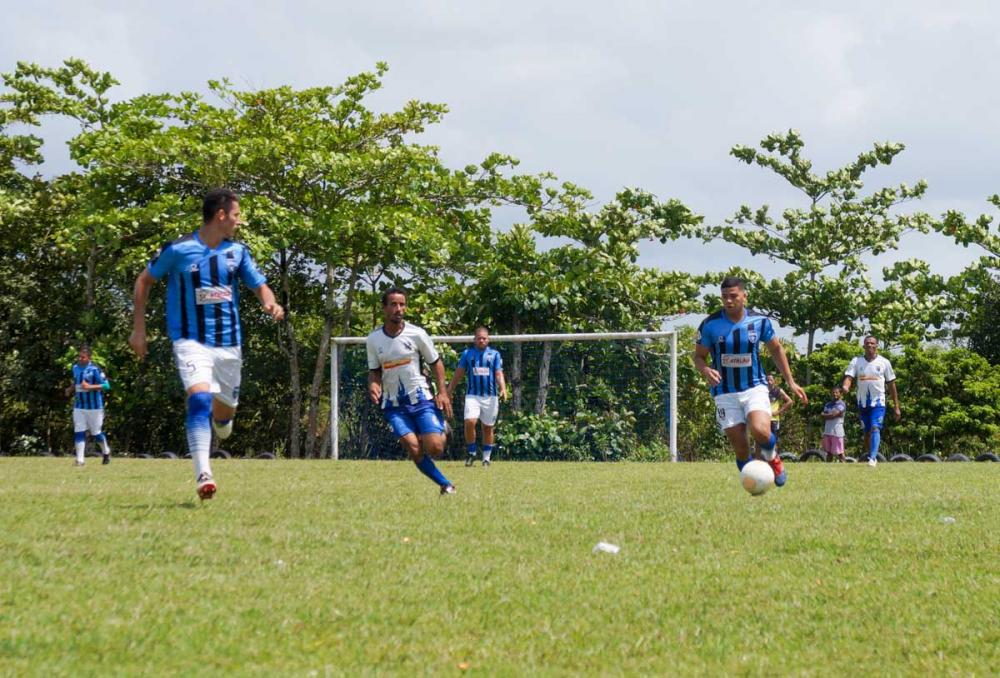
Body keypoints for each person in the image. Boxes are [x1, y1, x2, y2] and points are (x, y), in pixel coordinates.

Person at [129, 189, 284, 500]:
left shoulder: (237, 252)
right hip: (190, 341)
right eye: (237, 215)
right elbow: (144, 281)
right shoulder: (178, 249)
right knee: (199, 400)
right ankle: (203, 474)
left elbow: (260, 286)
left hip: (229, 345)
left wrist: (270, 303)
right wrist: (138, 329)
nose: (239, 221)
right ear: (221, 215)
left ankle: (223, 421)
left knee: (223, 416)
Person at [693, 276, 807, 486]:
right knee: (741, 449)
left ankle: (773, 459)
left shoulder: (759, 321)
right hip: (724, 391)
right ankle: (754, 482)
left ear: (744, 296)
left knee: (760, 430)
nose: (728, 301)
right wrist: (706, 369)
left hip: (755, 386)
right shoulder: (710, 324)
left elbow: (776, 349)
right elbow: (698, 357)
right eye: (724, 297)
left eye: (733, 296)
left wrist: (791, 382)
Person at [366, 288, 456, 495]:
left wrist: (443, 393)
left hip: (421, 398)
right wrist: (373, 384)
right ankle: (446, 485)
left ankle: (442, 429)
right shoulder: (373, 339)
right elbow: (374, 371)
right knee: (413, 447)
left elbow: (436, 362)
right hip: (393, 404)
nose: (398, 309)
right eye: (393, 304)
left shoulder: (417, 334)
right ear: (384, 308)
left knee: (435, 449)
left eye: (402, 304)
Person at [446, 326, 508, 467]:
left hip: (490, 397)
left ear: (488, 339)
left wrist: (503, 388)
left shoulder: (494, 354)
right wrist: (449, 389)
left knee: (488, 428)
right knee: (469, 422)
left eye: (484, 338)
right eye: (479, 338)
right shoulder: (467, 354)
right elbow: (459, 372)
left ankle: (486, 458)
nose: (481, 341)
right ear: (474, 339)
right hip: (472, 396)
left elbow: (498, 373)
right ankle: (472, 453)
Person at [841, 335, 900, 467]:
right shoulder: (856, 361)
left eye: (872, 343)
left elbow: (891, 385)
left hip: (878, 402)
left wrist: (896, 406)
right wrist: (845, 386)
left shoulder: (884, 362)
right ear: (863, 346)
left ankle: (872, 459)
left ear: (876, 346)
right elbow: (849, 377)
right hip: (863, 403)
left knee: (875, 427)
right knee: (867, 433)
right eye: (867, 343)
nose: (870, 345)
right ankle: (870, 454)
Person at [65, 345, 111, 466]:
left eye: (83, 357)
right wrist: (70, 389)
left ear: (89, 358)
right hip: (79, 406)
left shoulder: (95, 369)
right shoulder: (75, 368)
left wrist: (90, 387)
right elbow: (76, 382)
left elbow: (106, 386)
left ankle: (106, 451)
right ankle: (80, 460)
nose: (80, 359)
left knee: (96, 434)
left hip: (95, 408)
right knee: (79, 431)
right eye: (79, 356)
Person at [820, 386, 847, 462]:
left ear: (840, 394)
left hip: (837, 432)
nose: (835, 394)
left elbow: (833, 415)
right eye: (833, 393)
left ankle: (844, 466)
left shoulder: (842, 404)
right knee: (829, 453)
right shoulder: (828, 404)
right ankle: (828, 467)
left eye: (836, 393)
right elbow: (823, 416)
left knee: (840, 453)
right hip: (827, 431)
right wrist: (830, 415)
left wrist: (827, 415)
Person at [766, 374, 793, 450]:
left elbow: (789, 401)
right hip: (764, 419)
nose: (769, 382)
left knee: (774, 440)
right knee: (763, 440)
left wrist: (778, 412)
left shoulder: (778, 390)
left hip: (774, 419)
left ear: (774, 381)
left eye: (771, 380)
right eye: (767, 380)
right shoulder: (762, 391)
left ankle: (775, 455)